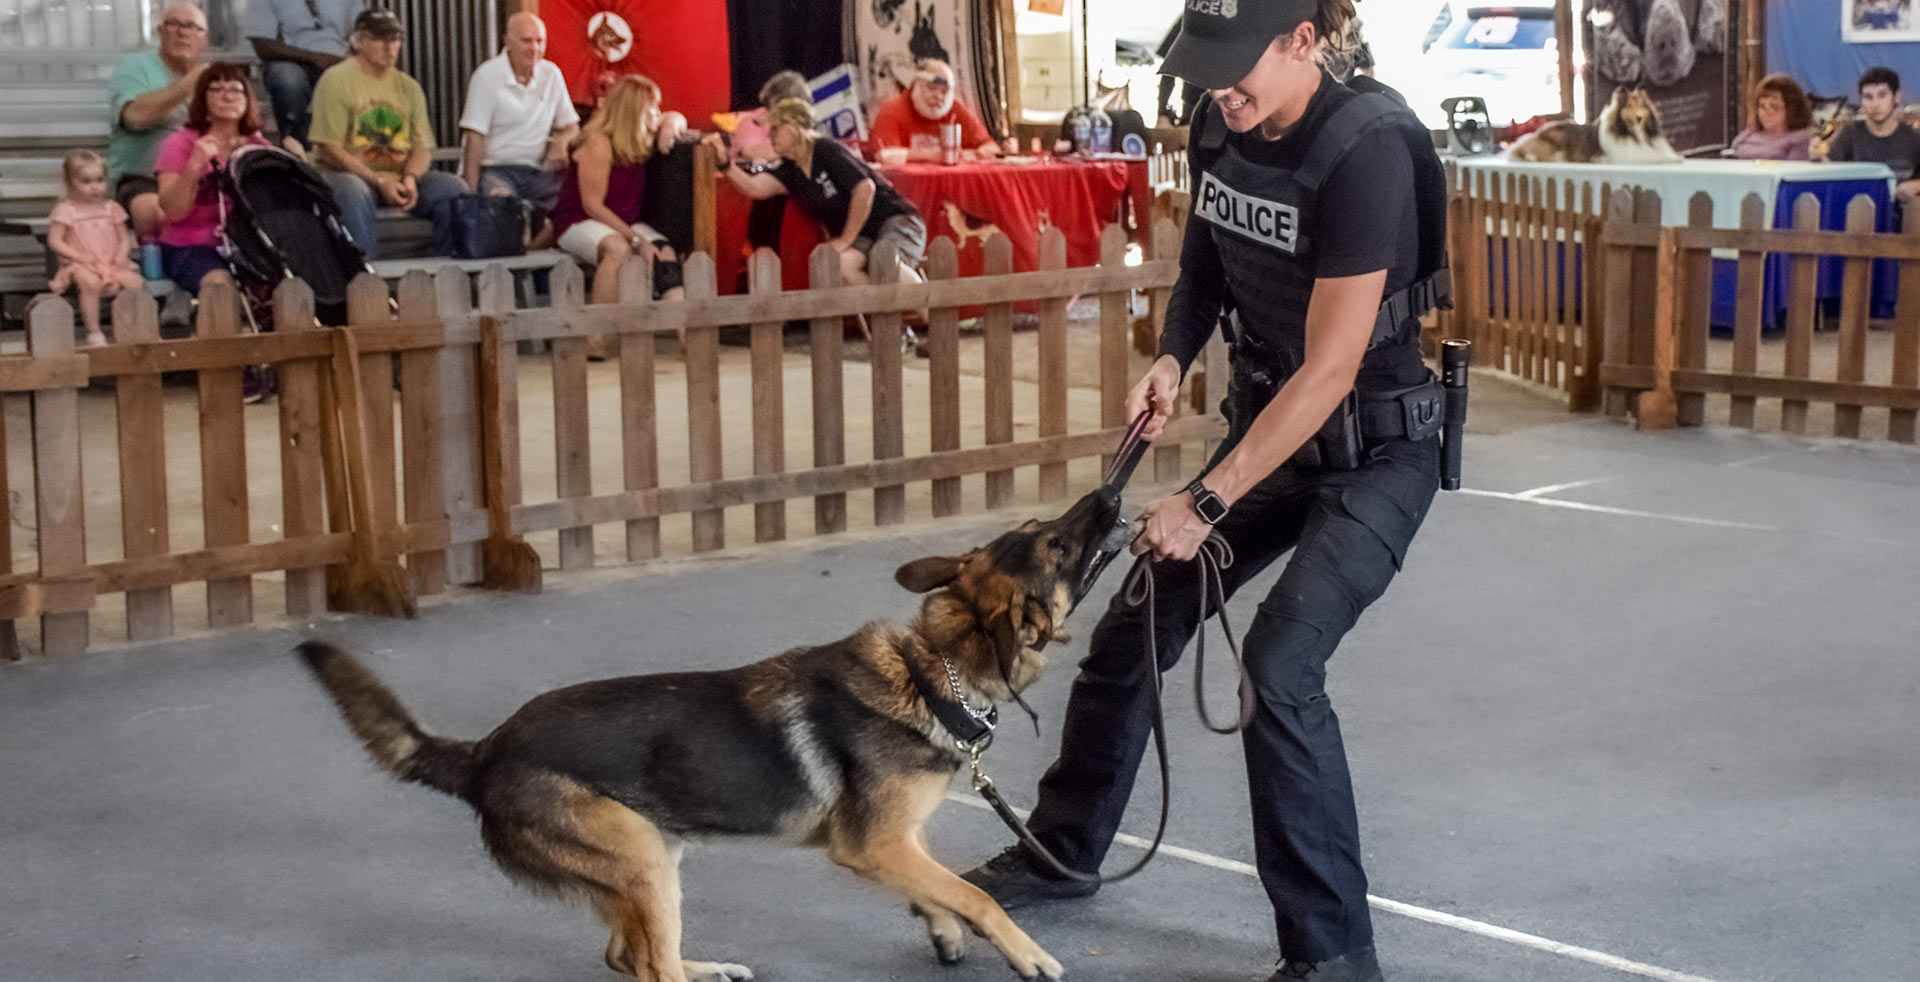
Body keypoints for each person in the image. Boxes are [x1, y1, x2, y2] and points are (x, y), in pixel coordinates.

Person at [959, 2, 1451, 981]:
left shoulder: (1369, 151)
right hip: (1271, 443)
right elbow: (1203, 263)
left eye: (1240, 65)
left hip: (1376, 454)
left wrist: (1207, 500)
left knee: (1280, 668)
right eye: (1208, 64)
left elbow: (1330, 369)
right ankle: (1066, 850)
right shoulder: (1222, 119)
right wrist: (1174, 355)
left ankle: (1334, 957)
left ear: (1304, 40)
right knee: (1135, 622)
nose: (1219, 85)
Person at [705, 98, 927, 290]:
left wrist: (845, 239)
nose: (770, 136)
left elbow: (864, 188)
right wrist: (726, 165)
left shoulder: (824, 149)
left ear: (795, 127)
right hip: (864, 236)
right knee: (839, 263)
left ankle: (935, 322)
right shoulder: (790, 167)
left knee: (885, 259)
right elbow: (756, 188)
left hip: (894, 219)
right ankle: (894, 326)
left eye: (775, 129)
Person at [307, 8, 463, 258]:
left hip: (399, 177)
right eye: (382, 39)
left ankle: (448, 273)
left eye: (395, 39)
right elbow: (330, 148)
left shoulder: (408, 87)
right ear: (360, 41)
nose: (390, 47)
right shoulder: (335, 80)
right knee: (352, 191)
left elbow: (423, 146)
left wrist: (411, 178)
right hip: (351, 176)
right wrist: (379, 182)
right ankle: (365, 277)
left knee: (452, 187)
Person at [548, 75, 685, 306]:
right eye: (652, 106)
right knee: (618, 250)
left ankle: (684, 331)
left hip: (624, 220)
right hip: (579, 219)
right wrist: (638, 241)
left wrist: (670, 126)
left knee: (665, 254)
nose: (657, 112)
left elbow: (675, 117)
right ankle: (599, 335)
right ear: (634, 111)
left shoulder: (639, 138)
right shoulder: (599, 142)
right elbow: (592, 205)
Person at [153, 62, 273, 297]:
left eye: (236, 90)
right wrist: (195, 164)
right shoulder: (180, 143)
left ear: (247, 99)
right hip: (191, 245)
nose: (227, 96)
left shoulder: (260, 149)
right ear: (202, 100)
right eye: (217, 89)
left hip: (247, 244)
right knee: (220, 290)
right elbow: (173, 211)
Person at [458, 11, 580, 226]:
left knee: (576, 201)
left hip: (538, 172)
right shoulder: (486, 76)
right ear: (508, 42)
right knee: (502, 207)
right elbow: (473, 139)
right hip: (494, 169)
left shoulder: (551, 74)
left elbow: (572, 126)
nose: (534, 48)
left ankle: (542, 251)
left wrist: (561, 141)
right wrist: (472, 195)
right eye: (527, 41)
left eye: (539, 41)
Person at [107, 1, 210, 237]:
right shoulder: (135, 66)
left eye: (192, 26)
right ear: (160, 32)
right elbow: (134, 117)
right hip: (143, 178)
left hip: (199, 179)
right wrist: (187, 85)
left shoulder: (214, 79)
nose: (182, 32)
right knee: (154, 214)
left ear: (204, 38)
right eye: (173, 24)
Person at [46, 150, 145, 347]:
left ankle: (132, 327)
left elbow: (124, 237)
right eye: (86, 181)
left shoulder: (111, 208)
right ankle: (94, 330)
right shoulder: (67, 210)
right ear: (70, 182)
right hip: (81, 265)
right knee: (90, 283)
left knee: (135, 283)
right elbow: (55, 241)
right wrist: (78, 257)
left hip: (111, 263)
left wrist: (121, 254)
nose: (94, 187)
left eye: (99, 180)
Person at [245, 0, 360, 151]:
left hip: (338, 60)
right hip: (290, 62)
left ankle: (352, 150)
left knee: (359, 75)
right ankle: (297, 150)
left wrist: (347, 61)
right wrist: (315, 58)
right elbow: (263, 46)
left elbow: (363, 33)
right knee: (288, 80)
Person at [869, 58, 1001, 162]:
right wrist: (932, 155)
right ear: (916, 86)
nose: (938, 96)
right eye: (932, 88)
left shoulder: (956, 109)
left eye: (944, 91)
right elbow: (883, 155)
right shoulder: (892, 109)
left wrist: (984, 151)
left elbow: (990, 146)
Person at [1823, 66, 1920, 205]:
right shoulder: (1849, 133)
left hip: (1900, 219)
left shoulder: (1913, 139)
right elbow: (1828, 171)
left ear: (1896, 97)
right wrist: (1817, 157)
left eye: (1882, 95)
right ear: (1861, 101)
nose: (1875, 104)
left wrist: (1916, 185)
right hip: (1855, 215)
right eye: (1868, 97)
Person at [1731, 75, 1813, 161]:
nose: (1767, 113)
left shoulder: (1799, 139)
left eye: (1775, 107)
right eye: (1762, 107)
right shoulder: (1747, 135)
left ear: (1792, 110)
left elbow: (1793, 172)